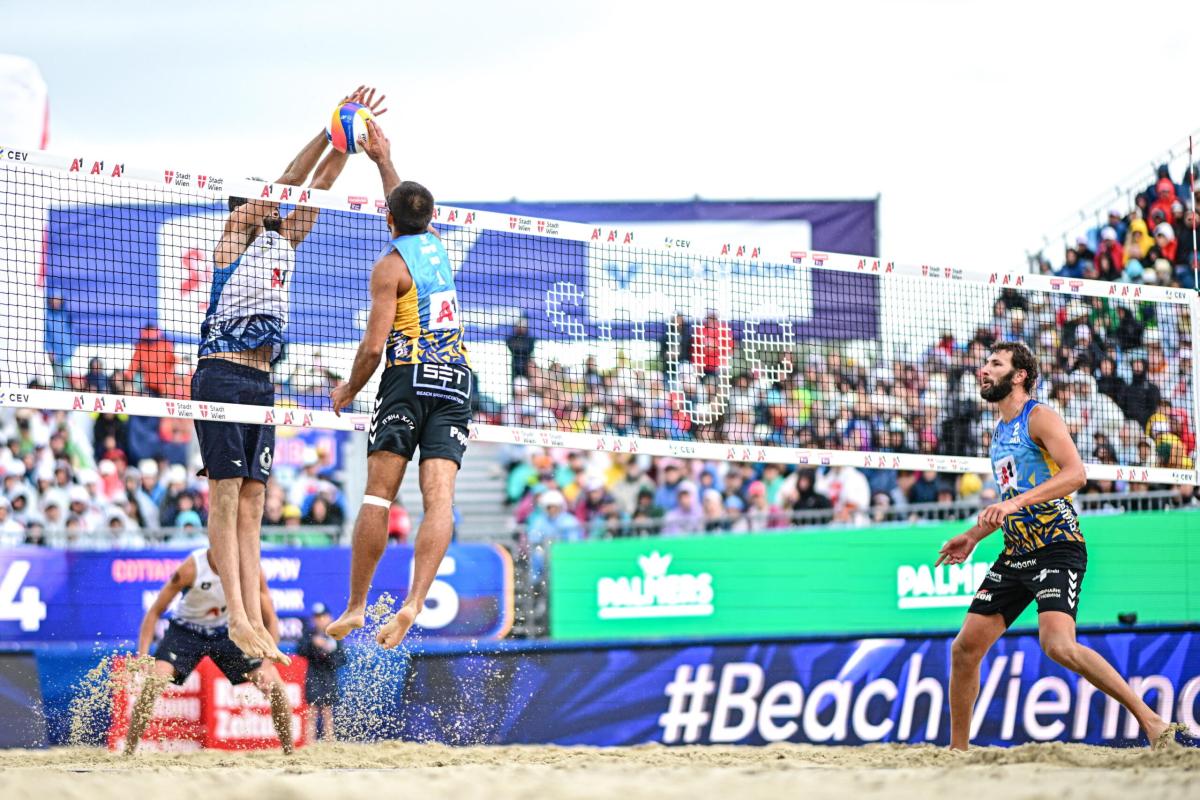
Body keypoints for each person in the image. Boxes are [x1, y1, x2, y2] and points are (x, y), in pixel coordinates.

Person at [192, 87, 385, 663]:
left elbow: (317, 189)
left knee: (254, 502)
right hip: (221, 377)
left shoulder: (285, 241)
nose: (275, 204)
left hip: (261, 384)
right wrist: (327, 130)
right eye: (264, 200)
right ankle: (237, 617)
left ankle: (252, 616)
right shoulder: (233, 236)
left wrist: (352, 142)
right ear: (246, 206)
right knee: (225, 498)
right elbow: (285, 182)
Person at [937, 341, 1169, 751]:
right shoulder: (997, 433)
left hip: (1057, 545)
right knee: (965, 648)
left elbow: (1076, 474)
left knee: (1058, 645)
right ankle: (957, 754)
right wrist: (973, 536)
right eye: (985, 364)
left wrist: (1012, 503)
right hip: (1016, 551)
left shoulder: (1039, 416)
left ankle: (1152, 722)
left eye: (995, 364)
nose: (983, 370)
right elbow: (1012, 501)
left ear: (1019, 375)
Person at [325, 118, 473, 650]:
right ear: (429, 217)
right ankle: (413, 602)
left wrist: (348, 389)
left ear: (388, 220)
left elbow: (371, 347)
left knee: (378, 497)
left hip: (408, 378)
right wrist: (384, 160)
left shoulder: (389, 267)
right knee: (439, 501)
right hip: (456, 379)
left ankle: (358, 605)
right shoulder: (437, 244)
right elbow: (406, 206)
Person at [124, 547, 294, 755]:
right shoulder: (192, 567)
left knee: (275, 685)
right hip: (186, 630)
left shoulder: (248, 567)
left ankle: (289, 753)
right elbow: (154, 612)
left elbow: (271, 619)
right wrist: (143, 656)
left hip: (227, 632)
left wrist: (267, 665)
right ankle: (128, 752)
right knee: (153, 682)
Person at [296, 602, 343, 743]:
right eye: (317, 617)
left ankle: (329, 741)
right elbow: (300, 650)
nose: (320, 620)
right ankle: (310, 743)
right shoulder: (309, 634)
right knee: (312, 711)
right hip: (314, 675)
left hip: (329, 676)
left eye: (323, 616)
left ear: (329, 617)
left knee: (327, 711)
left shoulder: (336, 634)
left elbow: (341, 659)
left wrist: (327, 651)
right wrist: (313, 644)